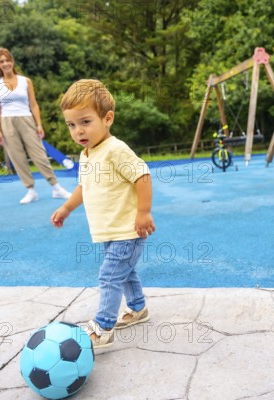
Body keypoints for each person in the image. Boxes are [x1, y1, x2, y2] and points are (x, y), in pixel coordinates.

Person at [51, 79, 156, 349]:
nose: (78, 131)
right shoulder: (87, 155)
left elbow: (142, 175)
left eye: (85, 122)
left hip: (128, 231)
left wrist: (143, 212)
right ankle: (138, 308)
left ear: (107, 118)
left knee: (110, 276)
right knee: (126, 272)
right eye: (71, 125)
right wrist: (66, 208)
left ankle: (103, 327)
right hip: (111, 231)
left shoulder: (115, 149)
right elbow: (83, 187)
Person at [0, 47, 71, 204]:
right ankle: (30, 190)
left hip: (27, 119)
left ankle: (56, 188)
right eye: (2, 61)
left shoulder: (25, 81)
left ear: (12, 62)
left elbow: (34, 105)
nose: (5, 63)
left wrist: (39, 125)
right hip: (7, 122)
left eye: (8, 60)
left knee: (39, 154)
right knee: (17, 157)